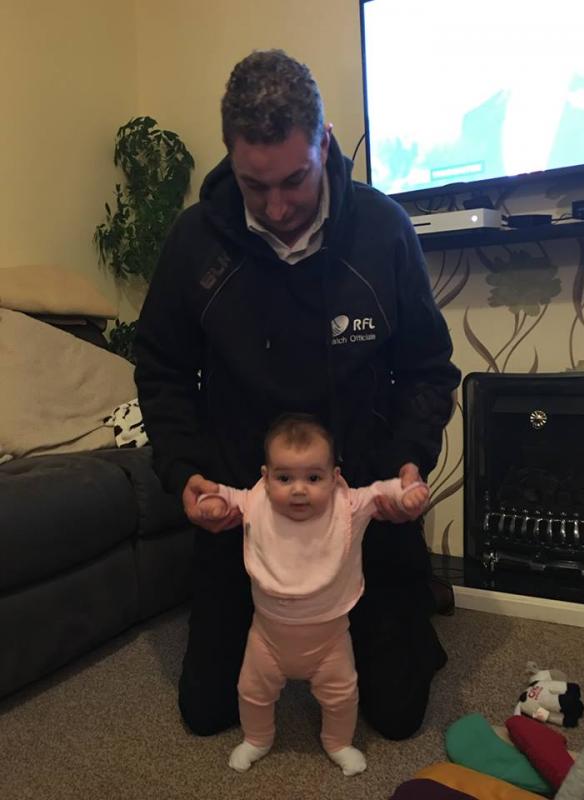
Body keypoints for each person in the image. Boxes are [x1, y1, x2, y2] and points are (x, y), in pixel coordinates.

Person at [133, 48, 461, 744]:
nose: (277, 207)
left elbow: (429, 368)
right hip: (248, 510)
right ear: (230, 155)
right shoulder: (193, 242)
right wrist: (185, 470)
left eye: (295, 180)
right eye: (254, 186)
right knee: (207, 714)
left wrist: (409, 459)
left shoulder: (383, 230)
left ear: (325, 144)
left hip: (359, 505)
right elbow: (162, 372)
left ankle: (412, 597)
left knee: (398, 716)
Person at [195, 413, 430, 775]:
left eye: (314, 478)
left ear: (335, 477)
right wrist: (213, 500)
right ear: (265, 477)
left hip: (330, 640)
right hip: (267, 638)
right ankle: (257, 738)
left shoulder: (347, 507)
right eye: (284, 478)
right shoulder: (256, 503)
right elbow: (227, 496)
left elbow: (382, 492)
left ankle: (338, 742)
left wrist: (406, 494)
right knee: (252, 691)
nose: (299, 489)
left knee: (342, 695)